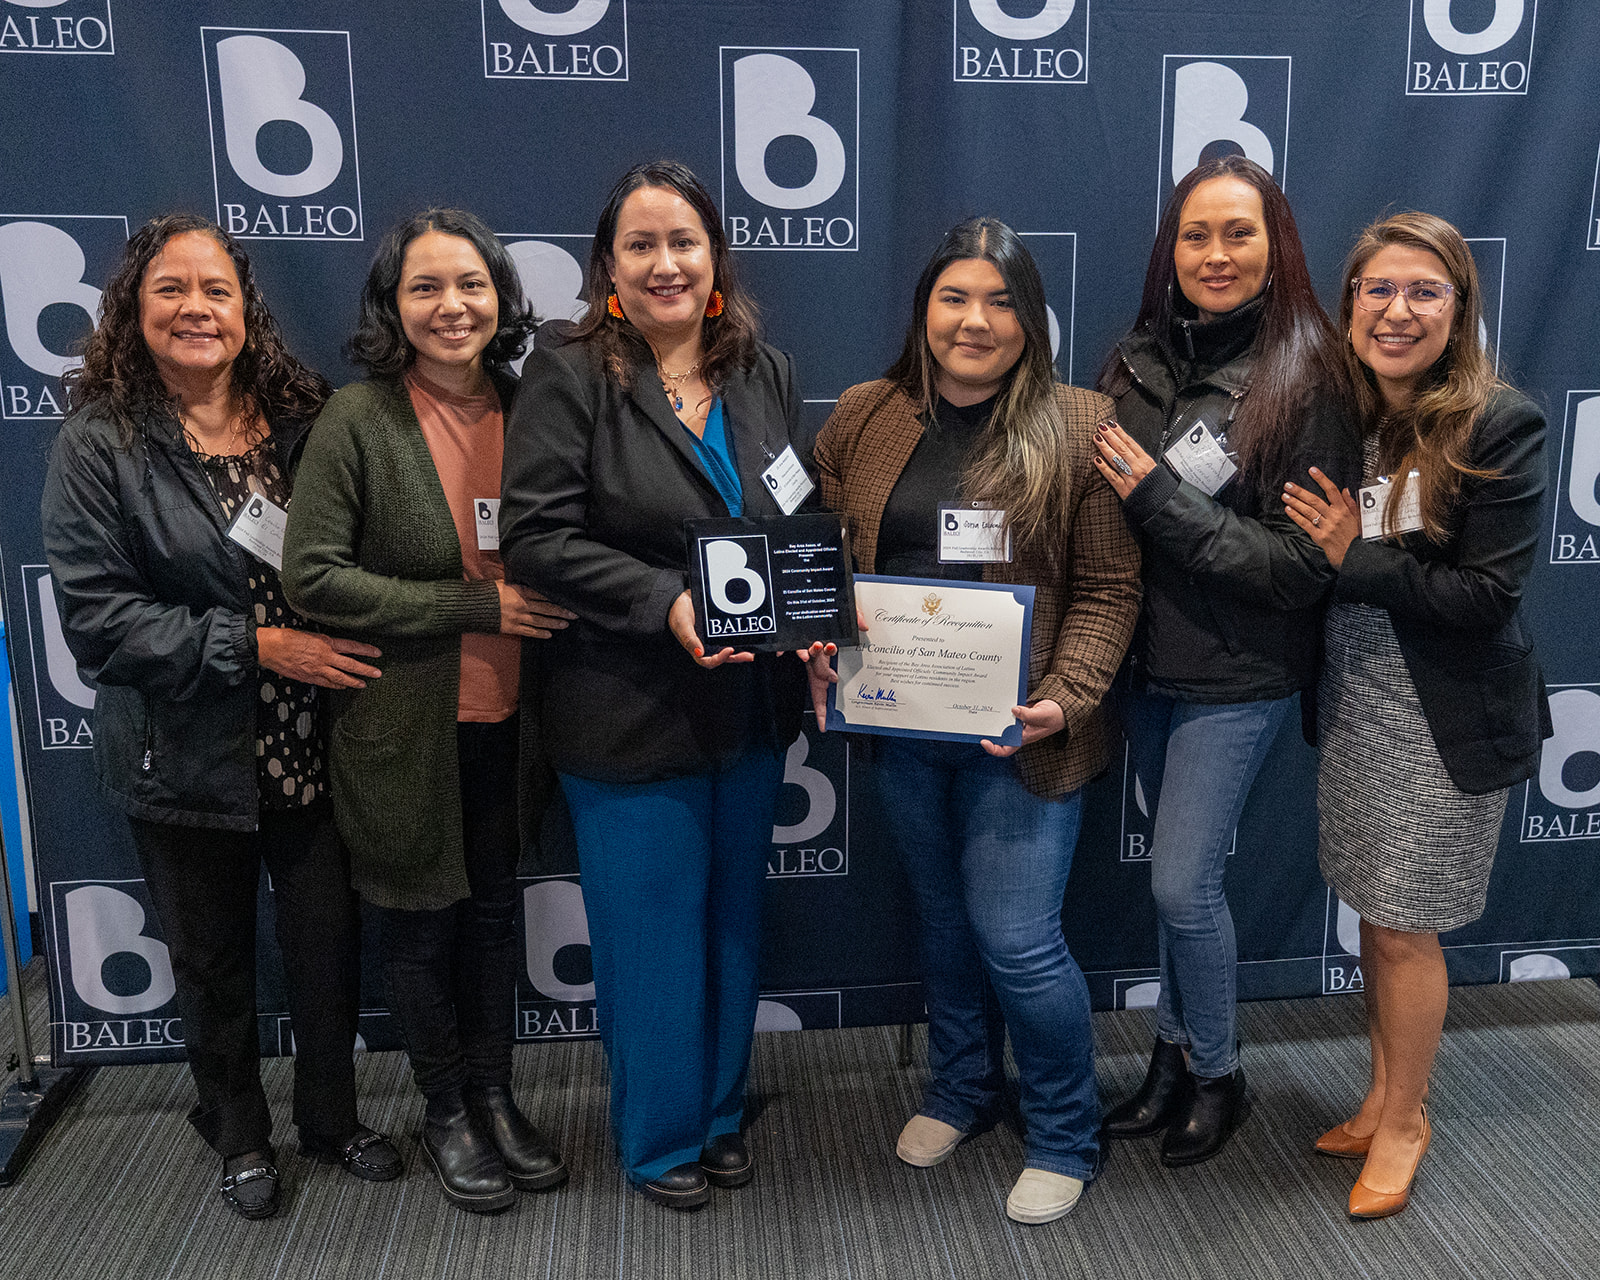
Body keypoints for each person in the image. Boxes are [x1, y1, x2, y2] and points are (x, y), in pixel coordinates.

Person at [40, 213, 400, 1220]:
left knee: (326, 945)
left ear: (248, 311)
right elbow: (100, 624)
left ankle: (330, 1116)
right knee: (212, 958)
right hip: (185, 749)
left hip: (316, 740)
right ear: (132, 309)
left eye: (216, 290)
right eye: (171, 289)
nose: (195, 308)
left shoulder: (302, 417)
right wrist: (258, 644)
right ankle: (238, 1129)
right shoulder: (99, 443)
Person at [808, 218, 1140, 1224]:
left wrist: (1065, 698)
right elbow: (823, 551)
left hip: (1020, 736)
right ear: (924, 311)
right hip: (901, 723)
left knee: (1017, 940)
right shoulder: (865, 415)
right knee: (945, 924)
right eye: (954, 297)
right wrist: (820, 638)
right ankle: (960, 1087)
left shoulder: (1080, 424)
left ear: (1029, 318)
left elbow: (1110, 589)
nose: (974, 320)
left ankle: (1065, 1132)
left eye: (999, 301)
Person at [498, 160, 808, 1210]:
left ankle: (720, 1114)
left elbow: (789, 516)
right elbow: (537, 538)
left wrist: (814, 618)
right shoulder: (568, 369)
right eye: (641, 245)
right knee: (650, 937)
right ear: (608, 266)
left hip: (750, 705)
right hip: (626, 705)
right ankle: (660, 1136)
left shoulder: (763, 370)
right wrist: (664, 600)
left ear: (715, 257)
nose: (665, 263)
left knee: (731, 925)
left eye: (684, 241)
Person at [281, 208, 572, 1213]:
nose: (452, 305)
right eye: (426, 287)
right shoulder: (357, 419)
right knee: (416, 926)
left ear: (500, 297)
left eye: (471, 284)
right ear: (392, 306)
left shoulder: (534, 407)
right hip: (403, 732)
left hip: (515, 726)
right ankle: (444, 1107)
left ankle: (493, 1093)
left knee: (493, 918)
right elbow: (313, 577)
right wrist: (474, 605)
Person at [1280, 211, 1549, 1218]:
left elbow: (1485, 596)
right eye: (1378, 289)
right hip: (1358, 701)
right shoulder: (1342, 416)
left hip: (1443, 718)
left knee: (1403, 927)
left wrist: (1353, 558)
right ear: (1349, 303)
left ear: (1459, 307)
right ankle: (1380, 1095)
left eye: (1424, 291)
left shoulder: (1498, 423)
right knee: (1374, 912)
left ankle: (1405, 1119)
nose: (1397, 311)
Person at [1091, 156, 1359, 1165]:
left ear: (1274, 247)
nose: (1215, 253)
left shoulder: (1309, 375)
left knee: (1180, 885)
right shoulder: (1135, 360)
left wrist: (1159, 498)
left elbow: (1300, 567)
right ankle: (1172, 1058)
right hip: (1144, 666)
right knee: (1179, 885)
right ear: (1170, 249)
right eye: (1195, 234)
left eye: (1238, 233)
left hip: (1238, 672)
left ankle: (1219, 1073)